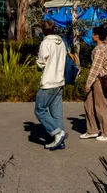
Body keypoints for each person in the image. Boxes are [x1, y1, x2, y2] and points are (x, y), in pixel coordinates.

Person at [35, 20, 68, 150]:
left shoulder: (46, 43)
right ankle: (59, 140)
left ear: (43, 30)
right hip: (59, 80)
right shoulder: (61, 42)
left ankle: (58, 133)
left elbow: (41, 62)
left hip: (49, 81)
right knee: (56, 112)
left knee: (40, 110)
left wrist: (37, 63)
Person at [80, 26, 107, 141]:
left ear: (97, 36)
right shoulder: (102, 48)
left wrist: (88, 83)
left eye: (93, 34)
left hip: (100, 80)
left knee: (101, 106)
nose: (91, 36)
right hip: (97, 80)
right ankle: (92, 130)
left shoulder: (100, 49)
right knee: (88, 104)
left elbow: (96, 68)